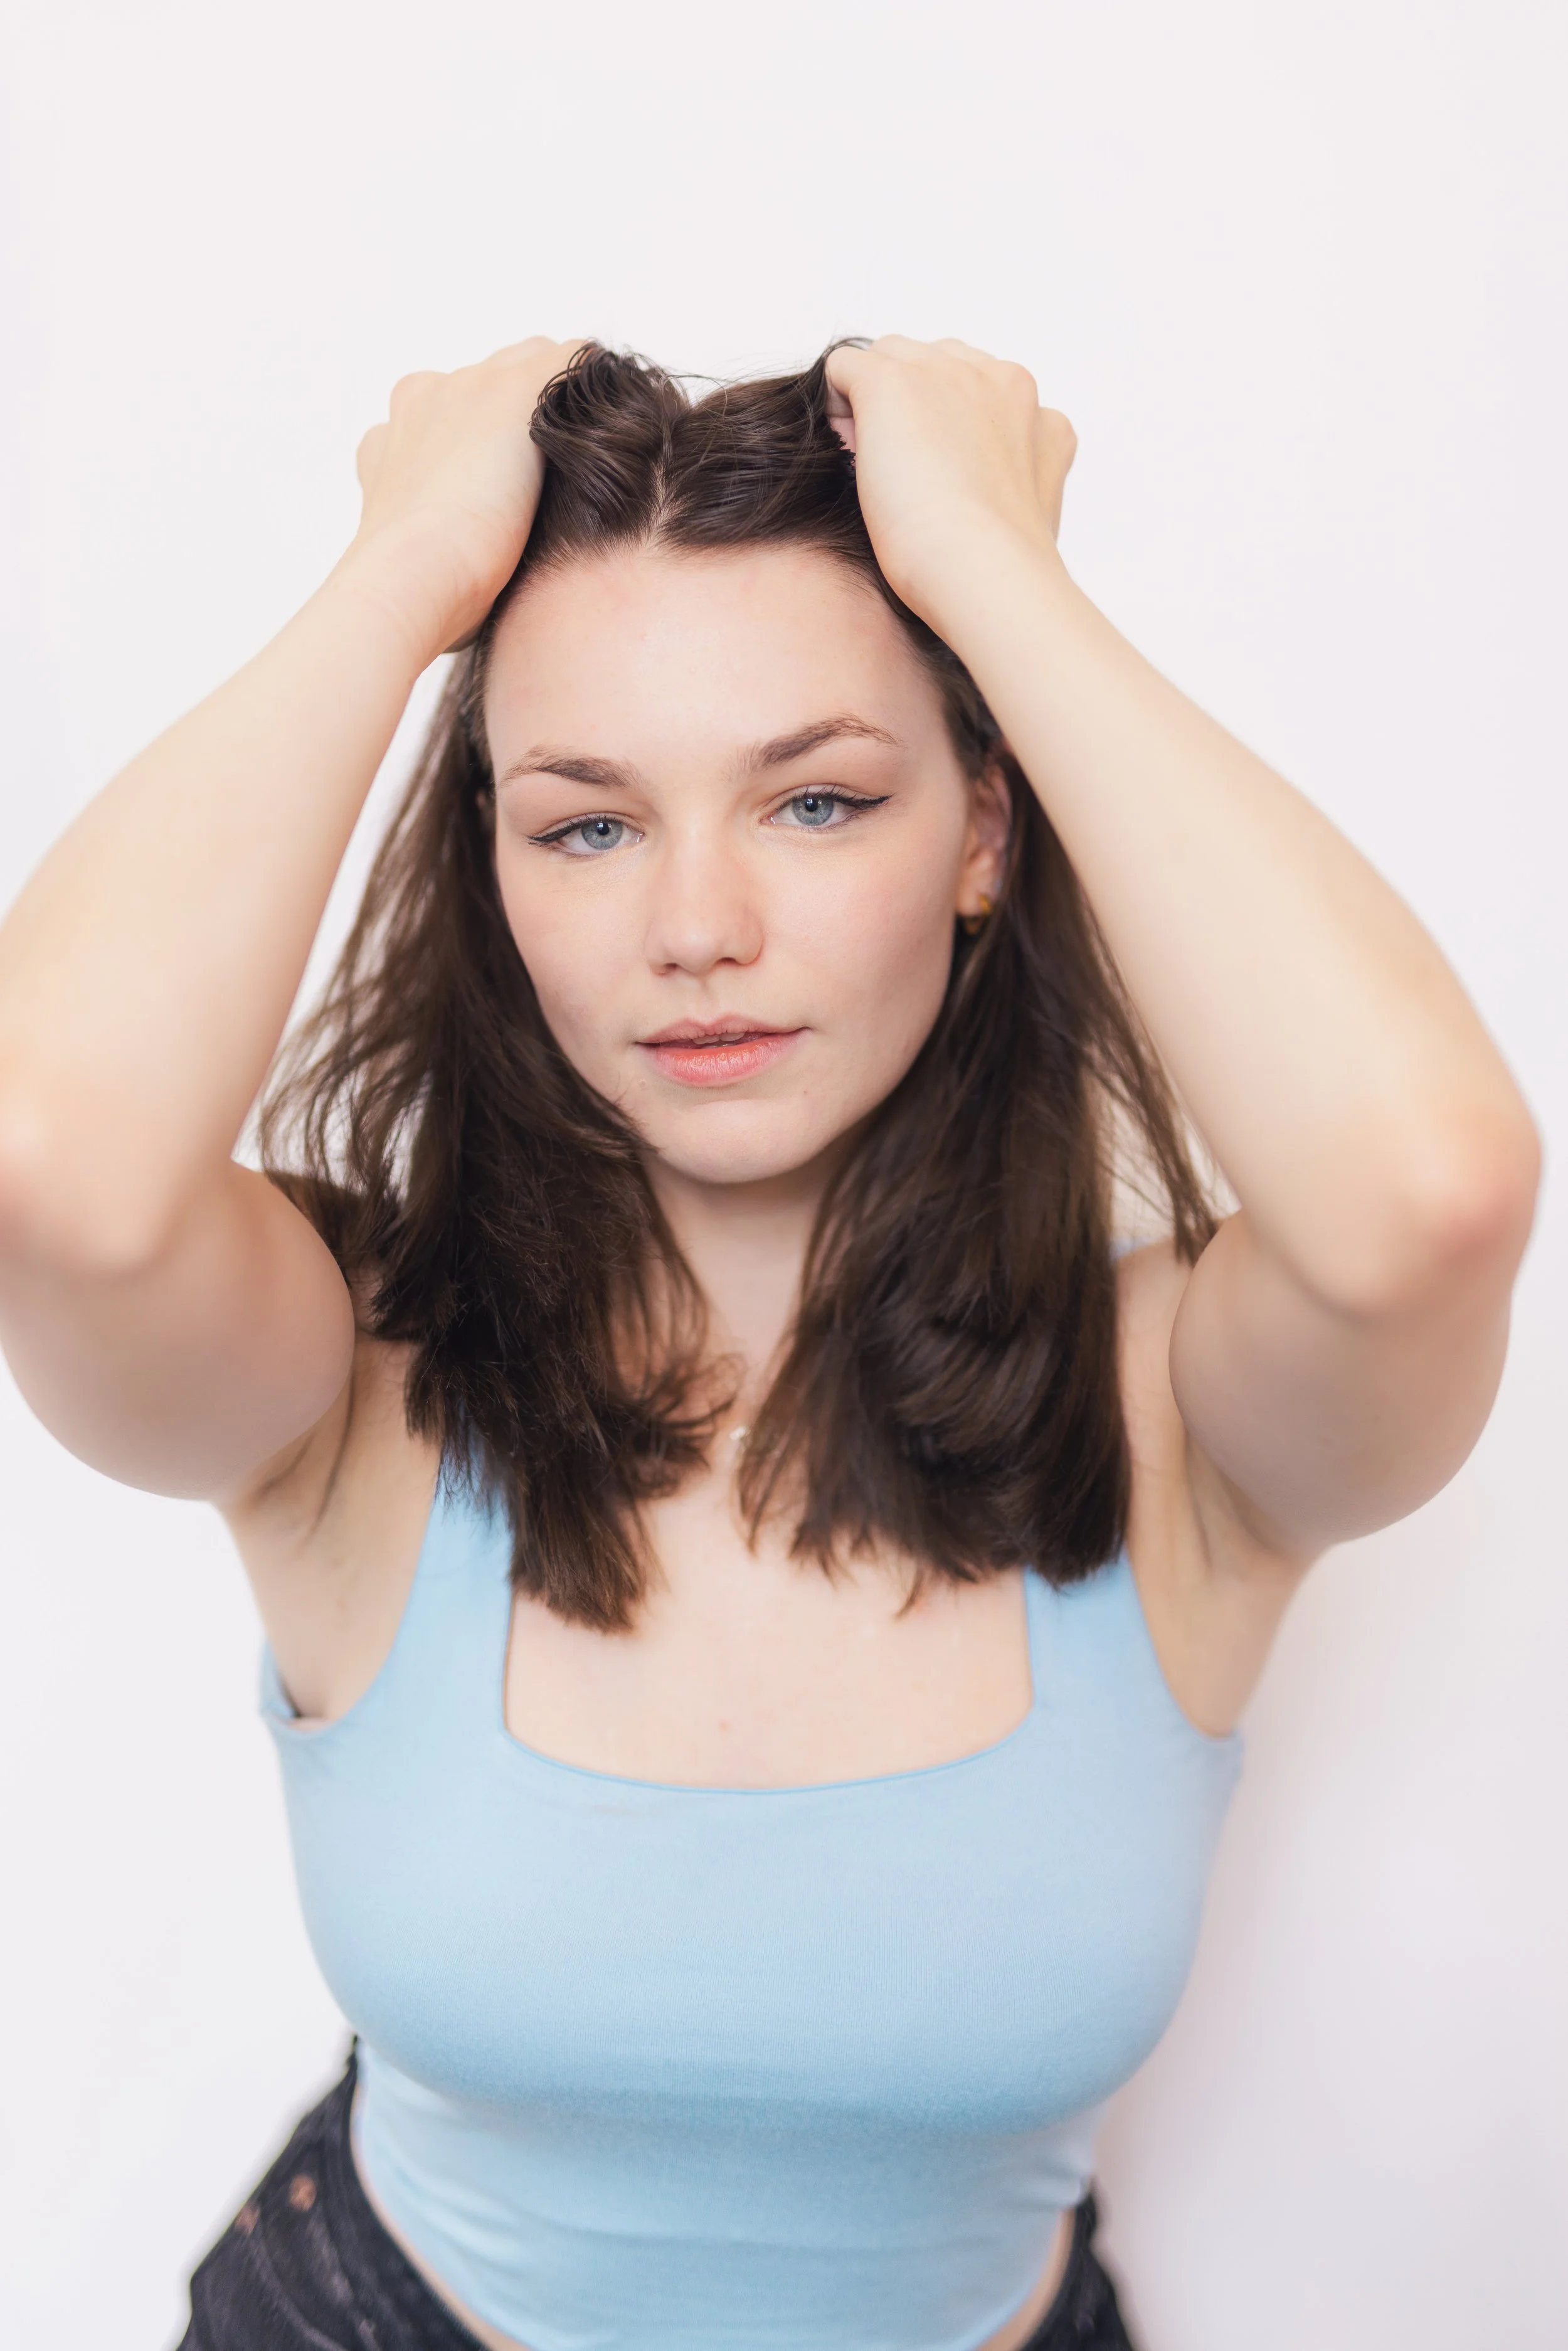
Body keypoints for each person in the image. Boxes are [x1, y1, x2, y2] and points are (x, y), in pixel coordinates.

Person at [0, 334, 1539, 2351]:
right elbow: (52, 1165)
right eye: (585, 824)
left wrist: (995, 569)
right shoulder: (353, 1379)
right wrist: (397, 572)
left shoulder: (1181, 1414)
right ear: (493, 868)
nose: (697, 926)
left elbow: (1425, 1190)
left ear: (984, 833)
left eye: (816, 798)